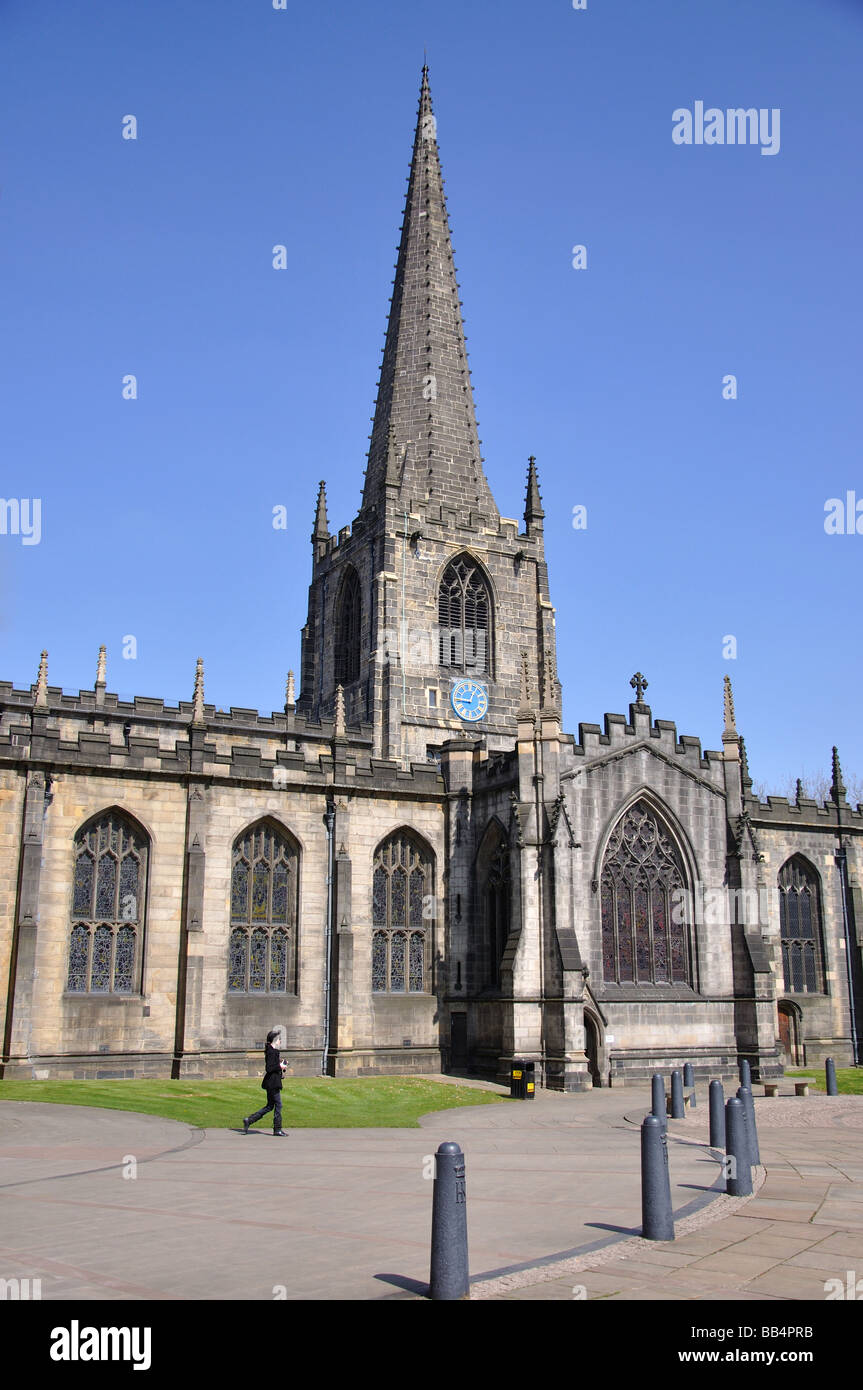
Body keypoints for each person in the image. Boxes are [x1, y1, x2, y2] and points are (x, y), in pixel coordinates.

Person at [242, 1028, 288, 1136]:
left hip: (271, 1082)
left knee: (270, 1106)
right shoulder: (272, 1052)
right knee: (278, 1105)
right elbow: (269, 1068)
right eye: (279, 1039)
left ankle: (249, 1120)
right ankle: (277, 1129)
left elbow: (273, 1067)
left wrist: (281, 1067)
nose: (280, 1041)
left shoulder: (270, 1051)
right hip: (272, 1083)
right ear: (275, 1040)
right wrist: (280, 1066)